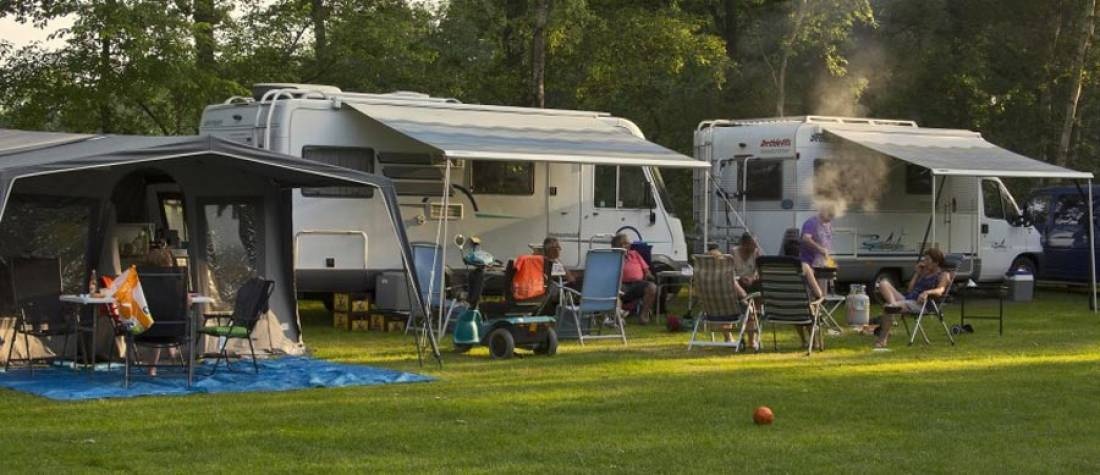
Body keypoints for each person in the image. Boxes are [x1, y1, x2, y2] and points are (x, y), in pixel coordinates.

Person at [872, 248, 951, 349]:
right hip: (909, 299)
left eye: (927, 260)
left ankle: (882, 340)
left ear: (936, 262)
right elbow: (910, 289)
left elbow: (940, 290)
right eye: (924, 259)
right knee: (883, 283)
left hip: (922, 304)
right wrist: (917, 273)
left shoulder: (944, 275)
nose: (924, 262)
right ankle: (894, 306)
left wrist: (927, 292)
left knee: (888, 308)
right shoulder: (925, 273)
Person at [612, 233, 657, 324]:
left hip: (638, 284)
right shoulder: (613, 257)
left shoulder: (635, 254)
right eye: (623, 243)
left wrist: (649, 275)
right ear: (615, 246)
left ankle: (644, 315)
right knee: (615, 292)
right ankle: (618, 317)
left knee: (652, 287)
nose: (627, 245)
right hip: (621, 284)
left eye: (627, 243)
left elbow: (646, 270)